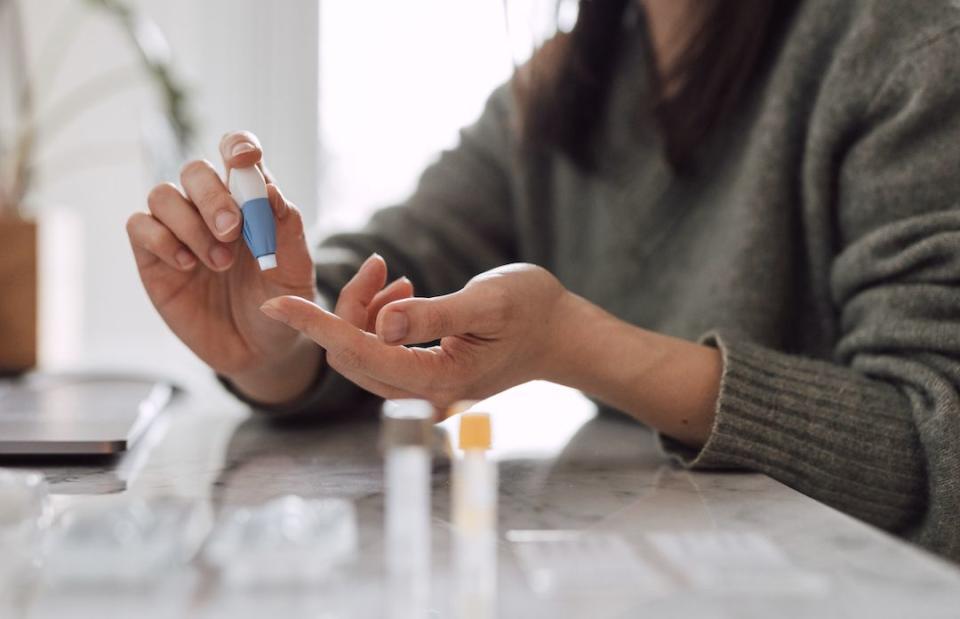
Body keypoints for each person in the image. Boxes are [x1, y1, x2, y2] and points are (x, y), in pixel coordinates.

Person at [126, 0, 960, 563]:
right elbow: (398, 258)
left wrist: (578, 345)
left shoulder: (904, 49)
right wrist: (276, 339)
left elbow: (937, 443)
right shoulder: (564, 85)